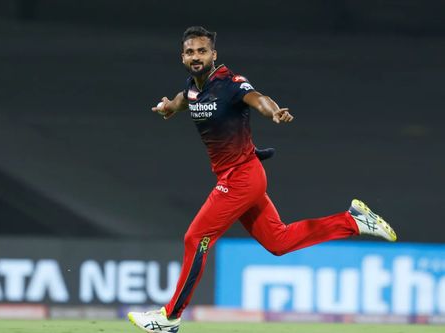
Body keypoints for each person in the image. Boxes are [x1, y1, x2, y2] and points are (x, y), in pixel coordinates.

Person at [128, 26, 396, 333]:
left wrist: (273, 112)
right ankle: (354, 221)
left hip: (240, 179)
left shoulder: (230, 83)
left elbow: (257, 97)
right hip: (246, 176)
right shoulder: (192, 87)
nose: (196, 56)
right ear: (183, 57)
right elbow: (182, 100)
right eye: (190, 52)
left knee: (194, 238)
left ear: (214, 55)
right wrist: (168, 108)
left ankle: (170, 317)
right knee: (278, 242)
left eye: (202, 51)